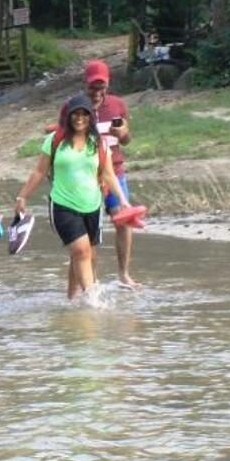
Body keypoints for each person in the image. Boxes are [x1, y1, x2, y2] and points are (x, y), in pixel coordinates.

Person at [15, 95, 117, 302]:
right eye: (75, 114)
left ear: (91, 117)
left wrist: (124, 202)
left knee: (86, 255)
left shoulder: (98, 144)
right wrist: (22, 197)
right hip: (62, 204)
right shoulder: (54, 141)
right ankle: (92, 301)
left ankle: (71, 299)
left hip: (92, 204)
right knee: (81, 250)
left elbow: (108, 175)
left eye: (84, 114)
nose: (79, 118)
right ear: (68, 117)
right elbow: (39, 172)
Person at [81, 58, 141, 288]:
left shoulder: (117, 105)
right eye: (92, 88)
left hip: (115, 172)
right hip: (87, 176)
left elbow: (126, 140)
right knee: (90, 229)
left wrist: (122, 133)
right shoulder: (74, 106)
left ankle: (123, 274)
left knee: (124, 221)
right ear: (84, 84)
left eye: (101, 88)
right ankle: (91, 279)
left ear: (108, 85)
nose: (96, 93)